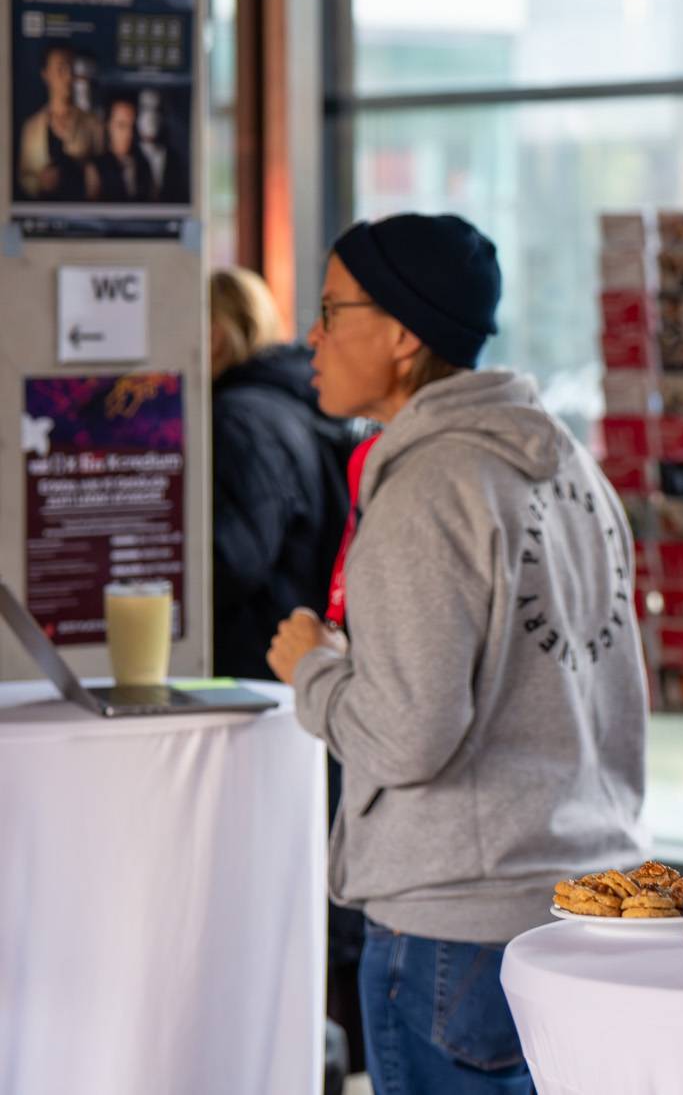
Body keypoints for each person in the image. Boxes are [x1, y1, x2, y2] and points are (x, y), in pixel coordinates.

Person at [267, 213, 648, 1095]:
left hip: (455, 927)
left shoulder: (430, 489)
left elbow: (408, 738)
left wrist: (312, 671)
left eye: (330, 309)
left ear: (402, 333)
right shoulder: (570, 469)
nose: (310, 336)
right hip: (580, 909)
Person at [210, 266, 355, 680]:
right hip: (294, 654)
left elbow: (234, 560)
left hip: (256, 662)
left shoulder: (239, 418)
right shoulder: (295, 402)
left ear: (214, 335)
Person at [16, 44, 104, 200]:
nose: (69, 76)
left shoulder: (93, 124)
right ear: (46, 74)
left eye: (72, 69)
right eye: (61, 69)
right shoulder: (31, 127)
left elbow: (106, 172)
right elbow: (24, 176)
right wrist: (39, 183)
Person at [88, 93, 159, 201]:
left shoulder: (144, 165)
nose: (128, 133)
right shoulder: (96, 167)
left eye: (132, 126)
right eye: (121, 125)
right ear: (108, 125)